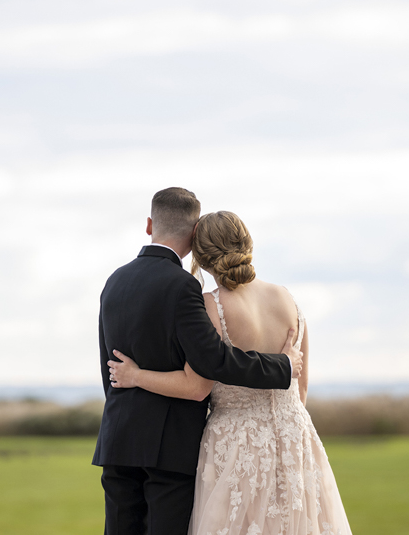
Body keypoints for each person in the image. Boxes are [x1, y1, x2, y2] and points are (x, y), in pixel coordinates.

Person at [109, 210, 353, 535]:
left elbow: (195, 385)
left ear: (201, 255)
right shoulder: (289, 300)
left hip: (236, 446)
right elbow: (301, 387)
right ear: (248, 243)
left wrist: (136, 376)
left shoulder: (210, 306)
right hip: (295, 439)